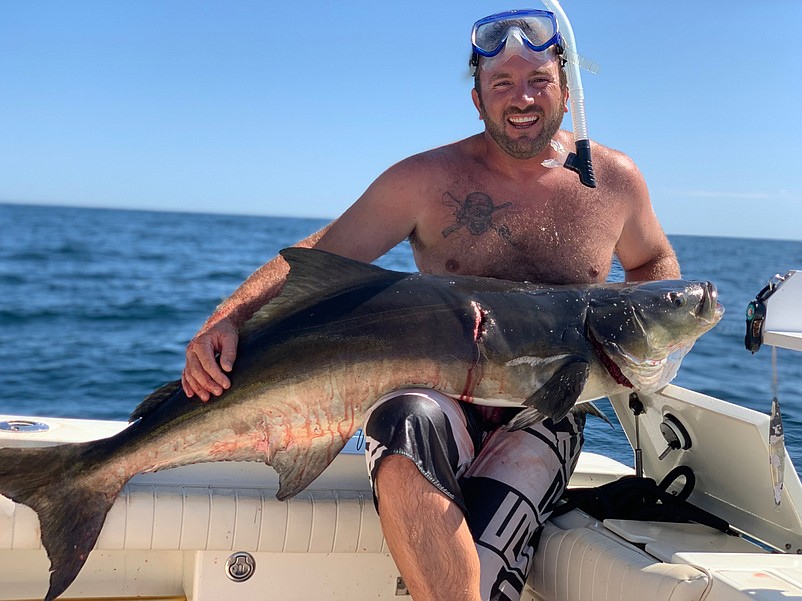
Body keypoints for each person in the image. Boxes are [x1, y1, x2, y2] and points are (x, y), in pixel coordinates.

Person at [182, 9, 680, 601]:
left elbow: (654, 265)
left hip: (547, 406)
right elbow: (321, 255)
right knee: (401, 421)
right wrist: (229, 316)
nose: (521, 98)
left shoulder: (615, 182)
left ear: (565, 92)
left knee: (485, 573)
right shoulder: (425, 180)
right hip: (434, 393)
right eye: (501, 84)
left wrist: (635, 332)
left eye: (537, 81)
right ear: (477, 100)